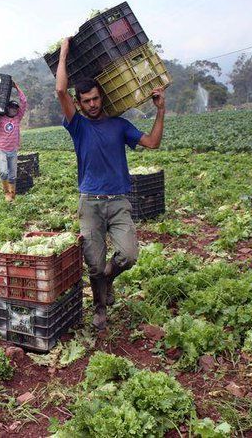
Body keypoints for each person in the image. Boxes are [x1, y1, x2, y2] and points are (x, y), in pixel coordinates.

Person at [55, 37, 166, 330]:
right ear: (79, 103)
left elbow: (153, 143)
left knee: (128, 255)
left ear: (102, 97)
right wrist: (64, 52)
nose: (92, 104)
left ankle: (107, 278)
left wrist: (160, 110)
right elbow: (59, 90)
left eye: (95, 98)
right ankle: (100, 307)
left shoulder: (120, 124)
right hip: (89, 202)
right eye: (86, 101)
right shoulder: (77, 125)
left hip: (118, 201)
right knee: (92, 262)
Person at [0, 82, 27, 202]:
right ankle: (6, 192)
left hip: (13, 149)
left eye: (16, 108)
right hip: (1, 149)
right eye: (12, 108)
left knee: (12, 175)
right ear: (7, 108)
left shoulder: (18, 118)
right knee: (4, 172)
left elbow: (24, 102)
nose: (15, 110)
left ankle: (12, 195)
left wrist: (17, 88)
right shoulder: (0, 118)